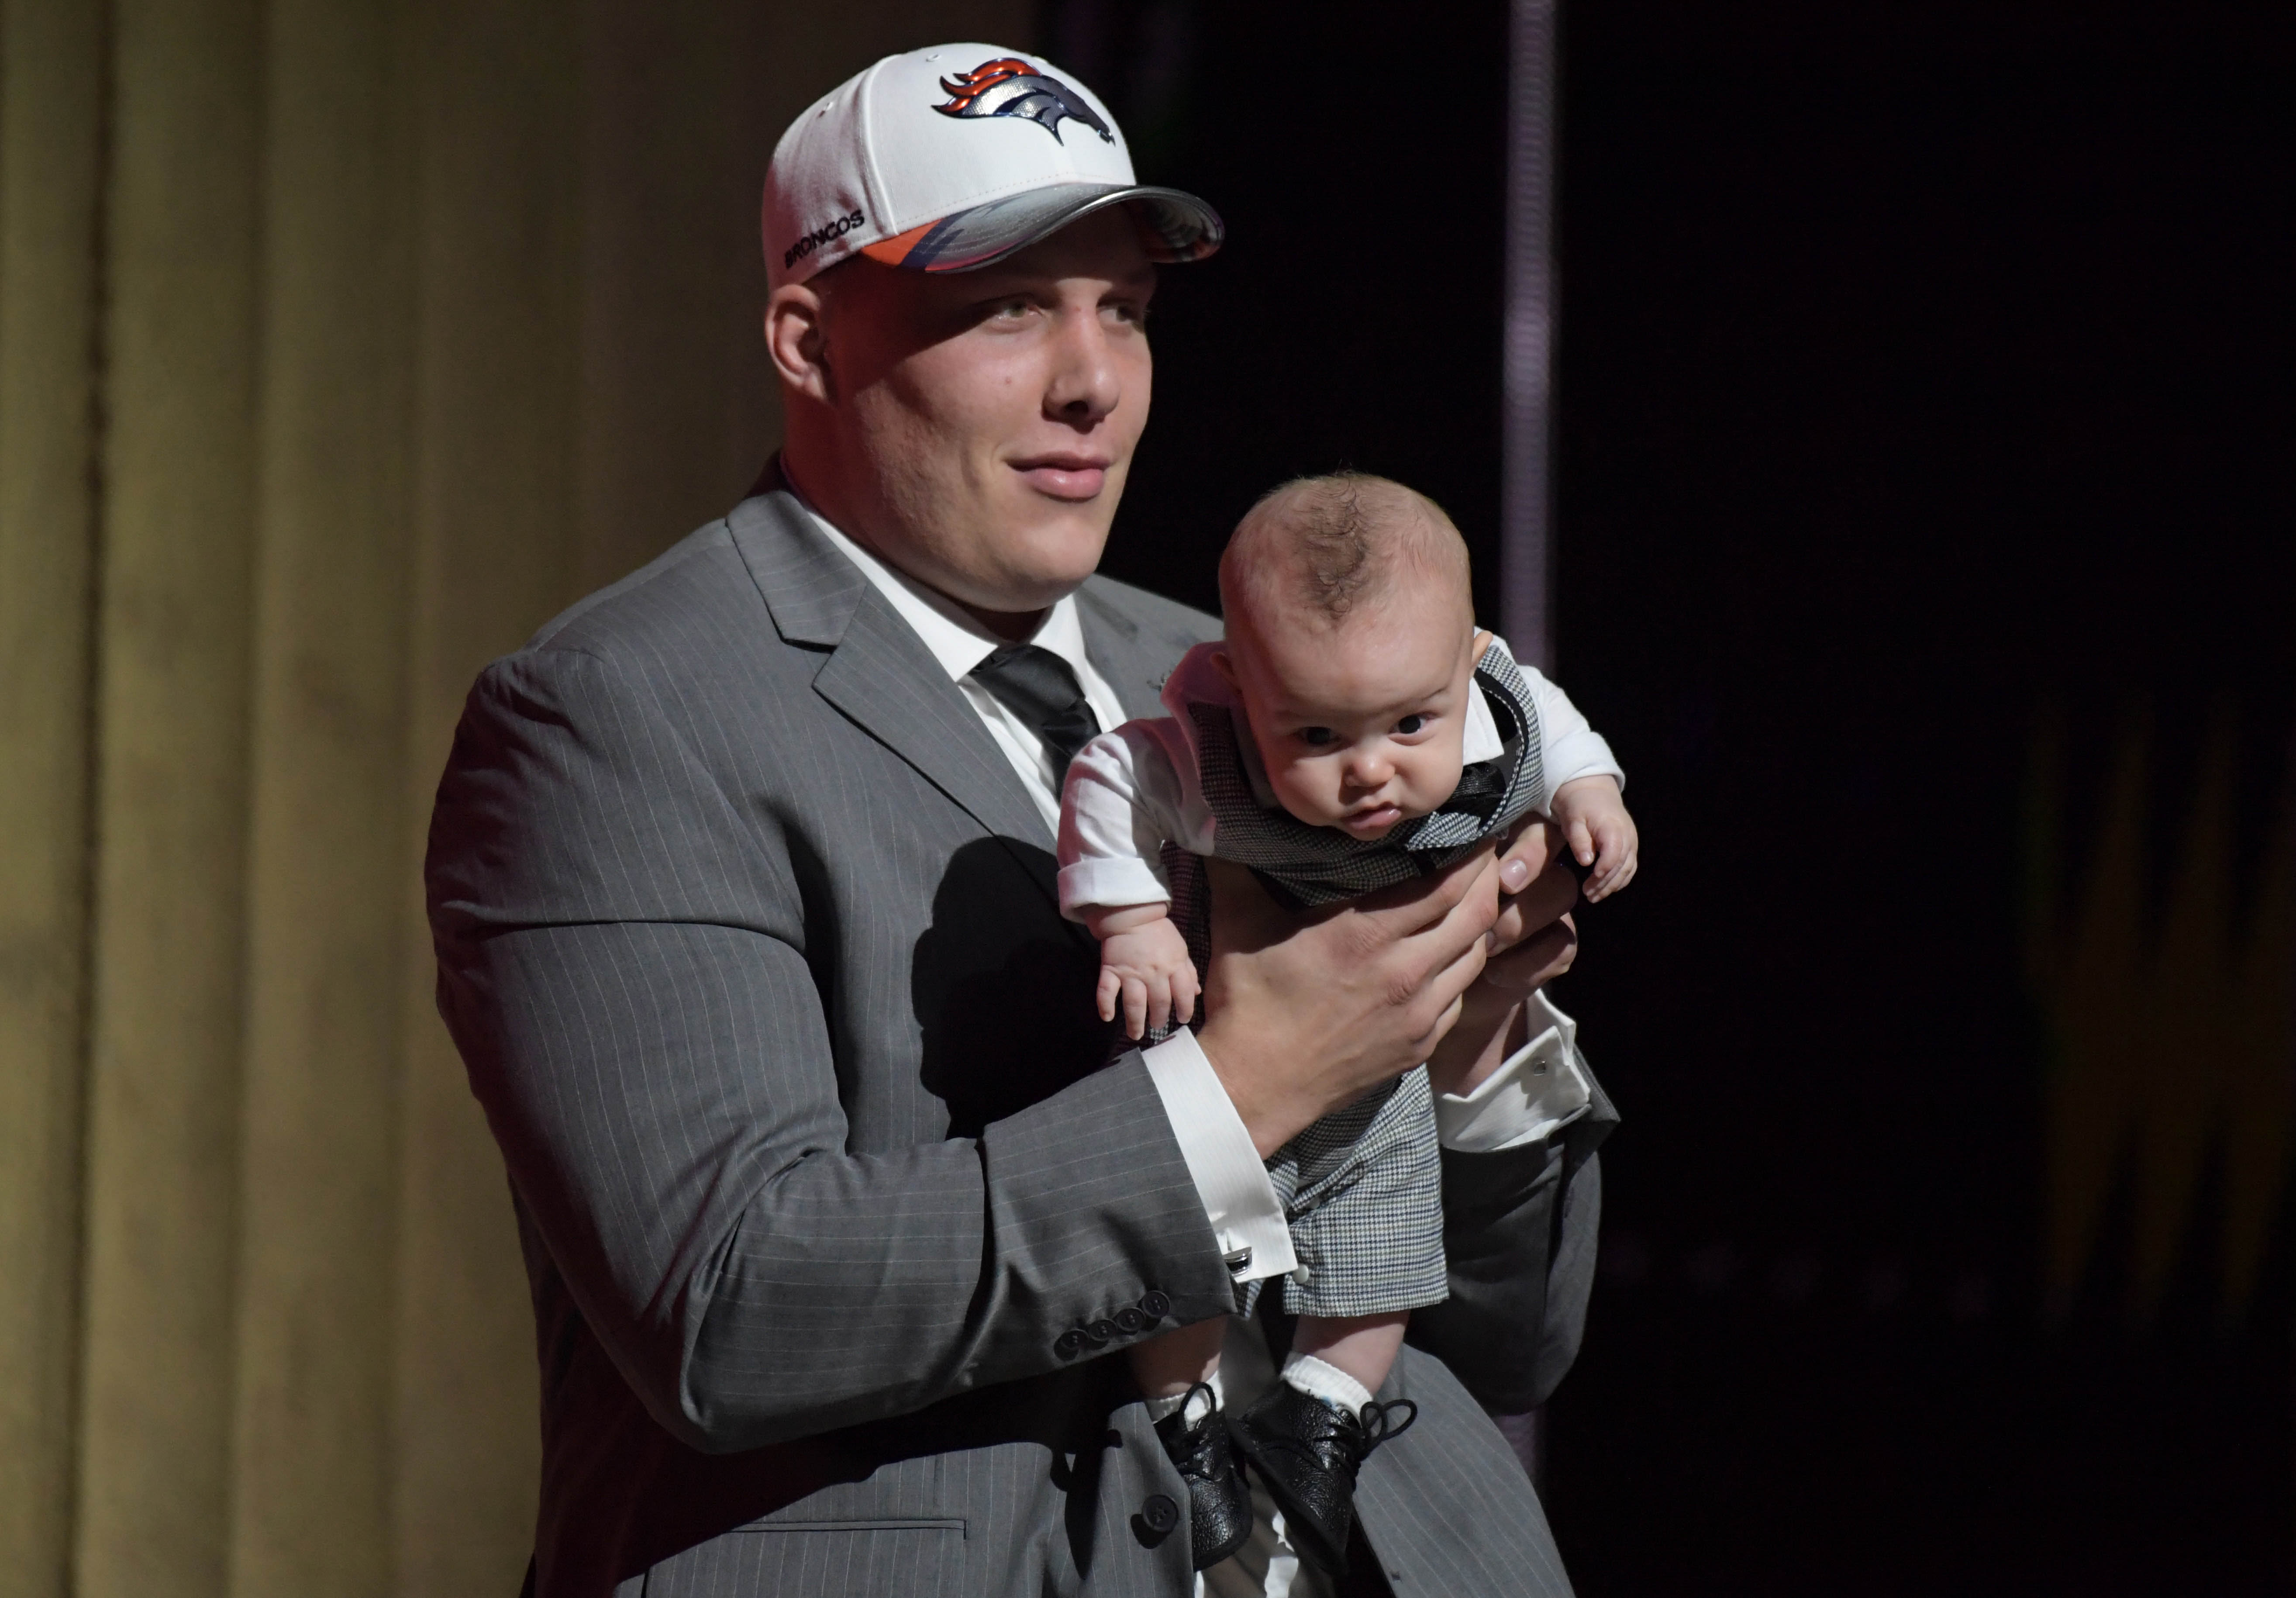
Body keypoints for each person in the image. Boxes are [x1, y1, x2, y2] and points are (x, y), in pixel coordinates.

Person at [425, 43, 1615, 1598]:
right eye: (1007, 306)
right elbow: (727, 1303)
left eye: (1121, 307)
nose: (1093, 378)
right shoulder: (614, 715)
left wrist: (1461, 1049)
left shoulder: (1258, 687)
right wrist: (1249, 1081)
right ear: (807, 339)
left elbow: (1520, 1339)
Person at [1058, 473, 1636, 1577]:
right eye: (1318, 735)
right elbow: (1106, 785)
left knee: (1385, 1265)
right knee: (1185, 1270)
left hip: (1380, 1099)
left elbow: (1554, 726)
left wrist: (1588, 797)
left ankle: (1319, 1418)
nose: (1372, 770)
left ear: (1469, 663)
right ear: (1241, 690)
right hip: (1202, 1097)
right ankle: (1183, 1424)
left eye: (1411, 723)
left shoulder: (1494, 712)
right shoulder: (1203, 754)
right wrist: (1133, 925)